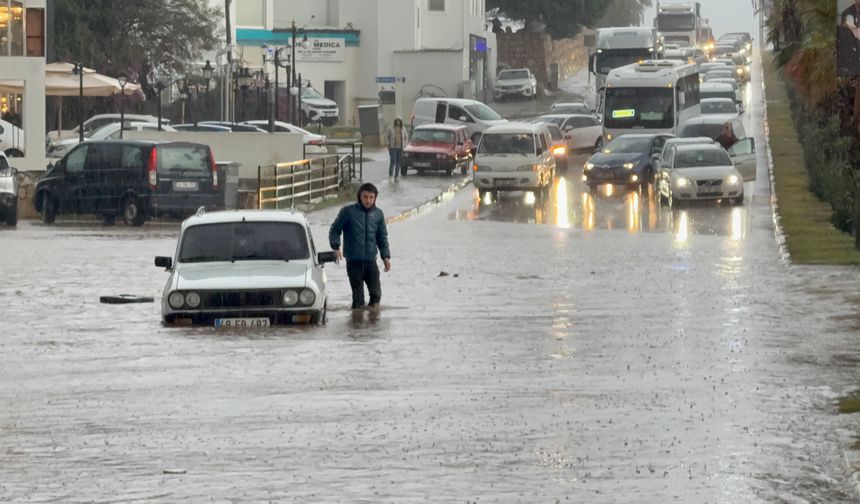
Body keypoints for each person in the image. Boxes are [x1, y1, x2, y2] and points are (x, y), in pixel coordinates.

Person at [329, 183, 392, 309]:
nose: (368, 200)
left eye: (371, 197)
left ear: (375, 198)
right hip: (353, 263)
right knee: (358, 300)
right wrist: (336, 247)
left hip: (371, 262)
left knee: (376, 295)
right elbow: (335, 230)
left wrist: (386, 257)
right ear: (360, 197)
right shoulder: (348, 212)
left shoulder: (378, 214)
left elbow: (382, 237)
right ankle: (356, 325)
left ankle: (372, 324)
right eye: (365, 197)